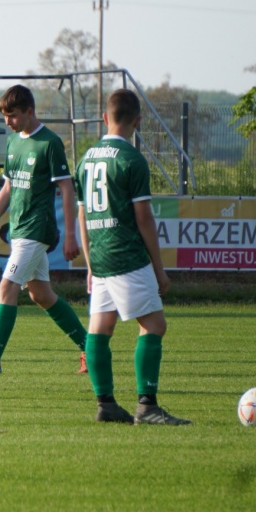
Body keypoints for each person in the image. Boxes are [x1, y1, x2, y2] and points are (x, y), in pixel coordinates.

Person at [75, 89, 191, 425]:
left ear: (104, 118)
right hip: (126, 254)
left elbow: (82, 216)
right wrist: (159, 269)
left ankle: (106, 404)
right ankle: (147, 407)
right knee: (154, 324)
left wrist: (89, 264)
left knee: (100, 327)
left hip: (100, 256)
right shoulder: (131, 160)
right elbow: (143, 218)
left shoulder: (87, 158)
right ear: (137, 122)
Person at [0, 84, 87, 374]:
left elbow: (67, 188)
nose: (8, 122)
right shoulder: (14, 142)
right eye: (5, 116)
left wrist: (70, 234)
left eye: (13, 116)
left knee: (7, 286)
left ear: (30, 111)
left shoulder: (50, 143)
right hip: (19, 229)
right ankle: (89, 349)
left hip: (36, 229)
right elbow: (8, 186)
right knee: (41, 295)